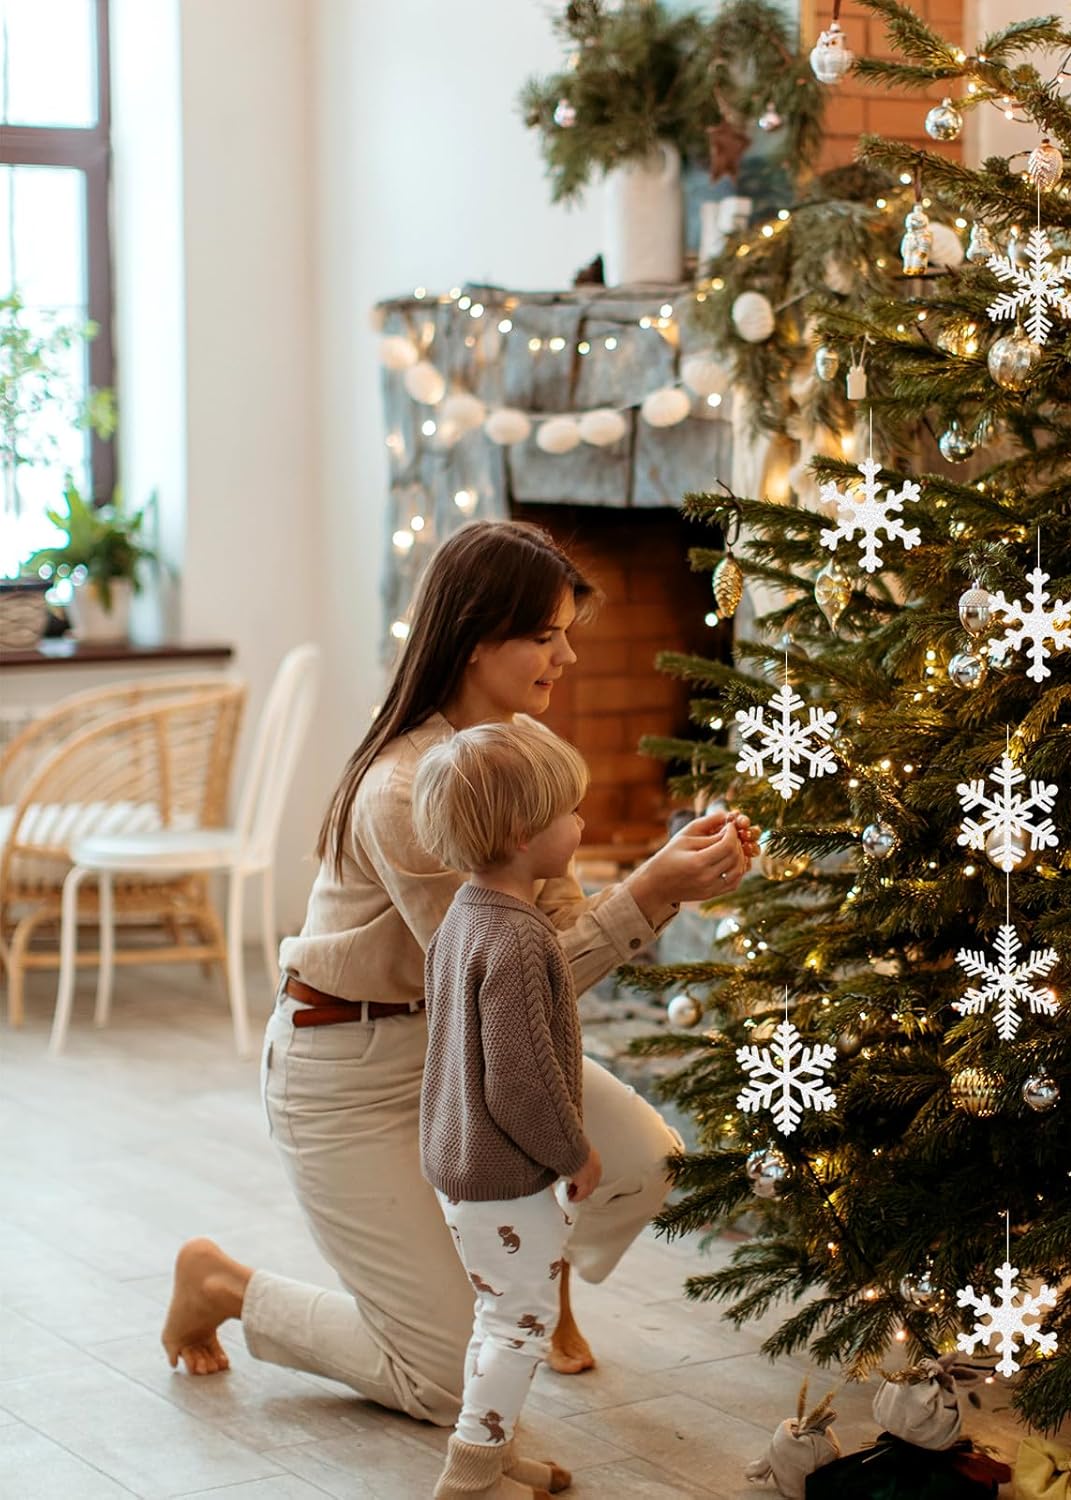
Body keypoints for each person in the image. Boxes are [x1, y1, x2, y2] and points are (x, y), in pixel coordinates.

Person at [161, 519, 755, 1430]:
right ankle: (226, 1285)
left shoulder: (513, 757)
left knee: (644, 1164)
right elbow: (507, 983)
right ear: (478, 639)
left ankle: (529, 1270)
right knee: (444, 1381)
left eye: (568, 633)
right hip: (348, 1071)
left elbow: (544, 952)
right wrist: (650, 889)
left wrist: (663, 883)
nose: (565, 656)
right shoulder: (410, 790)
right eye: (544, 635)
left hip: (457, 1053)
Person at [412, 718, 600, 1498]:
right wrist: (575, 1153)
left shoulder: (464, 915)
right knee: (518, 1325)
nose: (582, 823)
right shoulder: (521, 940)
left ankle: (498, 1448)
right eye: (570, 812)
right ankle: (472, 1472)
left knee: (499, 1316)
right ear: (525, 834)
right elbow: (520, 1083)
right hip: (507, 1172)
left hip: (460, 1163)